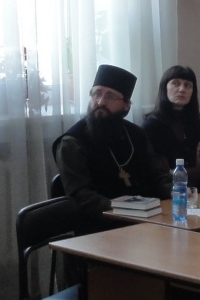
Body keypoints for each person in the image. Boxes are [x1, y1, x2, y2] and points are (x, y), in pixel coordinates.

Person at [53, 64, 172, 226]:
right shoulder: (72, 142)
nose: (100, 102)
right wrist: (126, 210)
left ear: (126, 105)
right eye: (96, 94)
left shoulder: (136, 134)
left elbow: (158, 176)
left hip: (146, 220)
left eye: (110, 96)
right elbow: (81, 197)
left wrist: (179, 193)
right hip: (99, 227)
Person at [142, 65, 200, 191]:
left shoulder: (195, 122)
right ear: (164, 87)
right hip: (170, 195)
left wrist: (176, 171)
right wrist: (199, 169)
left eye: (187, 85)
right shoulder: (152, 126)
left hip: (199, 192)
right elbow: (162, 176)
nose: (182, 89)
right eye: (176, 83)